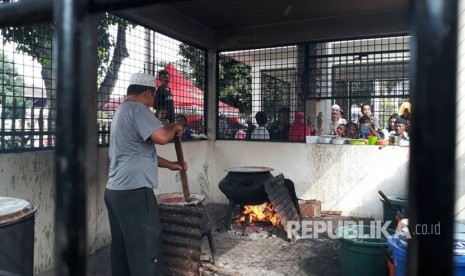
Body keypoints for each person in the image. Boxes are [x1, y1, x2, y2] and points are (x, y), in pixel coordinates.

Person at [105, 73, 186, 276]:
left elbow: (140, 154)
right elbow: (161, 137)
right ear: (148, 92)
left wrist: (171, 165)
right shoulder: (138, 109)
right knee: (146, 248)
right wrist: (175, 126)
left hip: (115, 192)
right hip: (134, 191)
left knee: (123, 248)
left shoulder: (121, 111)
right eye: (153, 97)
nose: (152, 103)